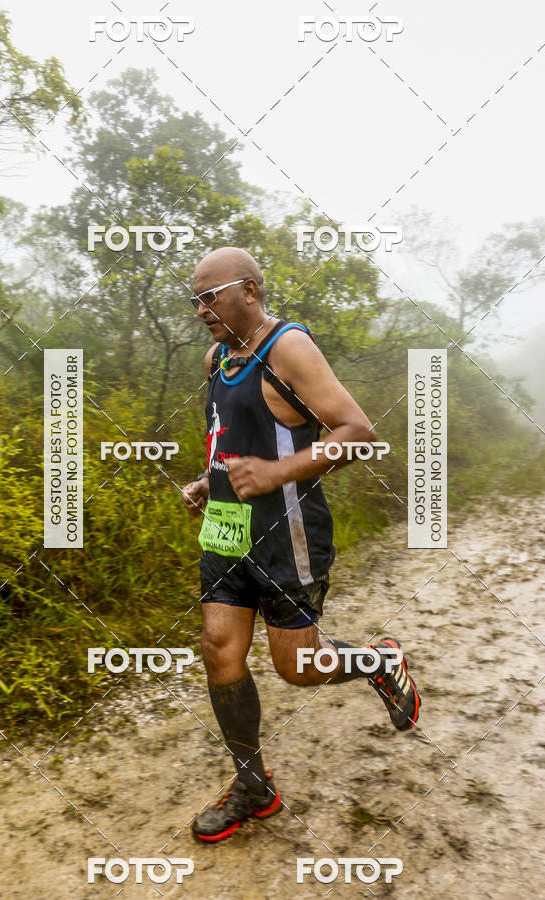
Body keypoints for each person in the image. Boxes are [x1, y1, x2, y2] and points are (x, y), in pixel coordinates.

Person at [181, 247, 421, 843]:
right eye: (196, 298)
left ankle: (380, 661)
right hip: (227, 533)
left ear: (252, 290)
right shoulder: (216, 359)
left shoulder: (287, 347)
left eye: (212, 294)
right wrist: (208, 481)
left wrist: (276, 473)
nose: (202, 308)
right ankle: (252, 785)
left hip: (288, 537)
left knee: (298, 667)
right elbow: (233, 439)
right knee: (219, 649)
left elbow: (358, 432)